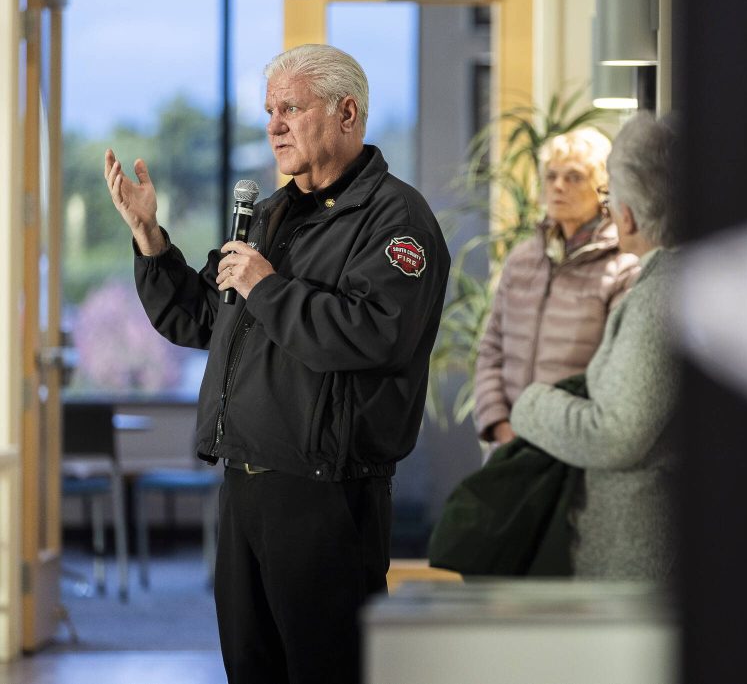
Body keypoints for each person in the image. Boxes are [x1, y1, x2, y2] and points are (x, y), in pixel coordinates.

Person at [103, 43, 450, 684]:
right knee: (251, 668)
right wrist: (149, 238)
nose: (273, 125)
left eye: (291, 107)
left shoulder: (396, 219)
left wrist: (269, 288)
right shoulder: (270, 215)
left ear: (347, 113)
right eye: (269, 110)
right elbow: (198, 316)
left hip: (326, 493)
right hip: (246, 486)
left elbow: (373, 335)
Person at [509, 111, 679, 579]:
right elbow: (493, 345)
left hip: (640, 549)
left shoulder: (657, 297)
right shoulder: (668, 282)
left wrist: (531, 406)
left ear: (627, 211)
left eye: (607, 194)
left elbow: (615, 434)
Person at [473, 127, 640, 449]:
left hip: (575, 448)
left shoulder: (622, 265)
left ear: (603, 186)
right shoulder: (523, 259)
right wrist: (499, 426)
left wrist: (563, 433)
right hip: (509, 445)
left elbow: (618, 369)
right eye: (551, 176)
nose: (558, 186)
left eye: (574, 177)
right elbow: (490, 348)